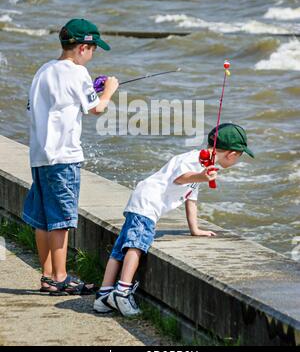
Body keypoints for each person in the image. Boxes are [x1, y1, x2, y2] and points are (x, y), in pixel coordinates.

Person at [94, 123, 254, 316]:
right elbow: (181, 178)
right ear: (232, 154)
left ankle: (103, 296)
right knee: (136, 245)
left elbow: (191, 199)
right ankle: (122, 291)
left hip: (142, 200)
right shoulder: (195, 159)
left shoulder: (204, 163)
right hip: (148, 203)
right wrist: (201, 176)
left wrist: (195, 229)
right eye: (240, 155)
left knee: (120, 249)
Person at [23, 18, 119, 295]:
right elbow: (96, 109)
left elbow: (44, 106)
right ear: (82, 47)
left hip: (40, 155)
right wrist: (109, 90)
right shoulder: (77, 73)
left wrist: (91, 92)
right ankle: (61, 277)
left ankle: (47, 276)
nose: (92, 55)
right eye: (93, 49)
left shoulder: (44, 70)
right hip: (64, 156)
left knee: (43, 219)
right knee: (62, 220)